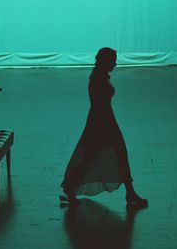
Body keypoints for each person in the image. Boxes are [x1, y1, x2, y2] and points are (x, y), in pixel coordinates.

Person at [60, 47, 148, 207]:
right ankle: (129, 193)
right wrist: (108, 125)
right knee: (112, 155)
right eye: (112, 60)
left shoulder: (97, 77)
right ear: (105, 61)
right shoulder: (98, 80)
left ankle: (129, 192)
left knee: (96, 156)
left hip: (101, 122)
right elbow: (101, 106)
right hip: (103, 123)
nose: (115, 63)